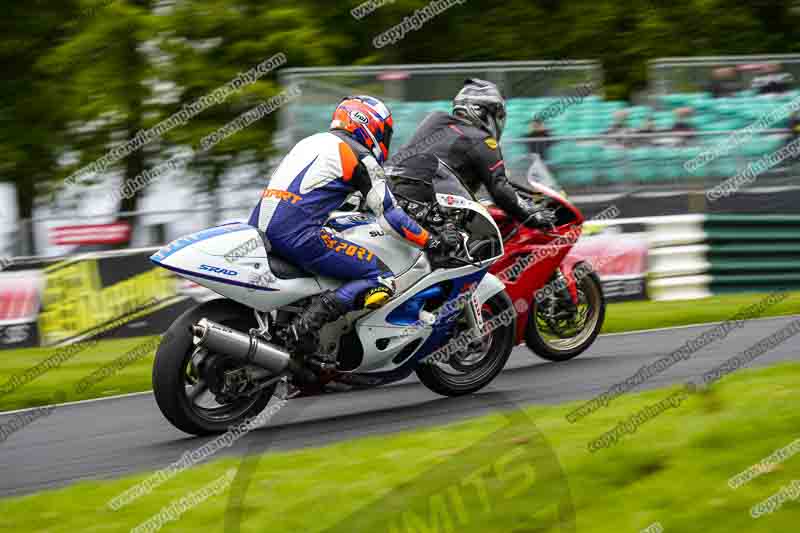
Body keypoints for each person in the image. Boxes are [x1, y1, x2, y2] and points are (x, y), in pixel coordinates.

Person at [249, 95, 460, 359]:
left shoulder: (312, 142)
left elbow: (322, 193)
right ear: (369, 125)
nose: (384, 140)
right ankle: (302, 330)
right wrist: (431, 241)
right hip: (297, 236)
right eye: (384, 133)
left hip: (260, 228)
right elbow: (390, 216)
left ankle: (297, 332)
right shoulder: (359, 154)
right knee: (381, 278)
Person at [386, 78, 556, 229]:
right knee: (484, 247)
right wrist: (533, 216)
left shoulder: (435, 120)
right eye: (498, 114)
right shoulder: (482, 140)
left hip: (390, 196)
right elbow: (500, 189)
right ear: (484, 111)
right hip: (429, 213)